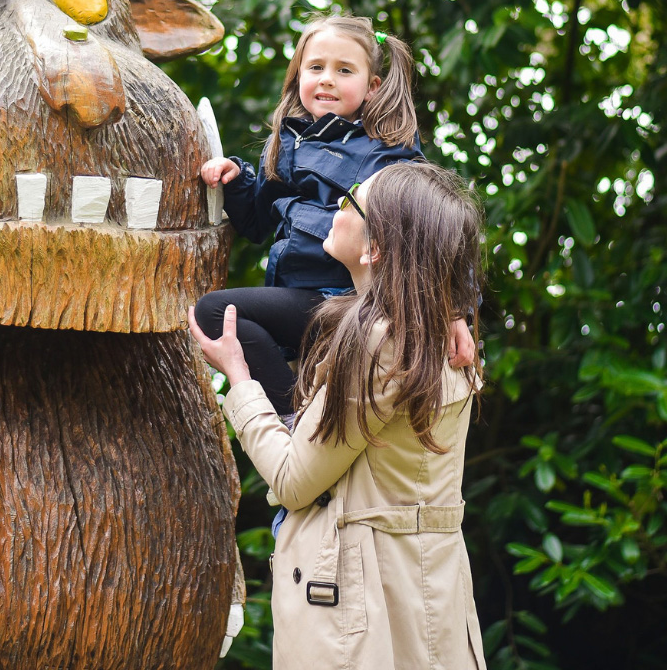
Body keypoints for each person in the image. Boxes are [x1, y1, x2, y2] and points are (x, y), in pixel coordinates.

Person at [188, 162, 487, 670]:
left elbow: (292, 480)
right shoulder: (439, 331)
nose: (335, 208)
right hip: (426, 597)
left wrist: (238, 378)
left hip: (361, 611)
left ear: (377, 250)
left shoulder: (377, 342)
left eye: (351, 199)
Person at [196, 13, 474, 419]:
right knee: (219, 319)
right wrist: (235, 180)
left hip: (354, 302)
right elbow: (255, 225)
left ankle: (292, 428)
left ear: (372, 87)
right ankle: (298, 422)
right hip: (301, 301)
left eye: (344, 70)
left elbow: (439, 234)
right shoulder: (284, 146)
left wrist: (455, 313)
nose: (327, 79)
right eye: (316, 67)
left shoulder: (389, 153)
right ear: (298, 78)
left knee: (216, 314)